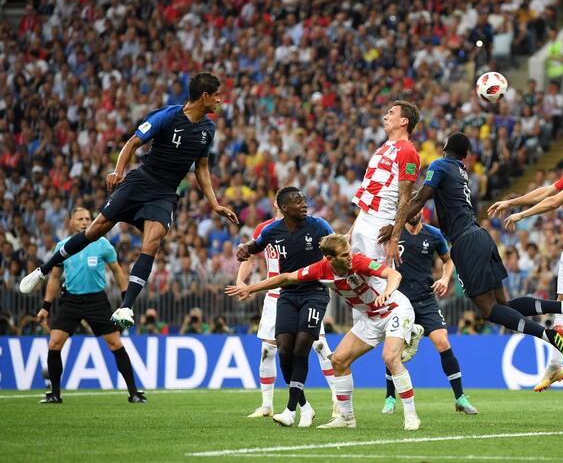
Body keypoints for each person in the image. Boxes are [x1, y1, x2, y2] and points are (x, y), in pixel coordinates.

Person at [20, 72, 239, 330]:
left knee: (153, 241)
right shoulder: (167, 116)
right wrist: (118, 171)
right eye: (217, 95)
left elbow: (201, 167)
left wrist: (214, 203)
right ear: (205, 96)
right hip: (140, 181)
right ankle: (43, 270)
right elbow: (133, 143)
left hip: (165, 194)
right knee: (94, 230)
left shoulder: (208, 129)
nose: (220, 100)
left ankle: (126, 307)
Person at [380, 132, 563, 365]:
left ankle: (549, 335)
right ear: (466, 155)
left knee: (489, 311)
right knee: (503, 306)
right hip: (480, 236)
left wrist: (394, 227)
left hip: (466, 243)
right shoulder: (460, 170)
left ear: (445, 147)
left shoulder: (440, 165)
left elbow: (421, 199)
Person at [227, 233, 424, 431]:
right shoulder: (321, 270)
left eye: (349, 252)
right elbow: (286, 278)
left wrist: (388, 292)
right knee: (337, 361)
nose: (350, 257)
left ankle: (411, 417)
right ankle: (346, 418)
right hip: (370, 319)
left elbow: (394, 274)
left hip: (394, 309)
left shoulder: (359, 262)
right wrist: (251, 288)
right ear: (330, 259)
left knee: (390, 358)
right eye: (344, 254)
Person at [492, 123, 563, 401]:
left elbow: (556, 200)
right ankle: (555, 366)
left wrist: (522, 216)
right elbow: (547, 190)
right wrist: (513, 202)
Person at [234, 187, 336, 427]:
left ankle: (335, 401)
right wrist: (241, 278)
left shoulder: (317, 225)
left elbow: (337, 247)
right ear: (281, 205)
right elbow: (252, 249)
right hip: (278, 293)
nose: (303, 204)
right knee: (276, 350)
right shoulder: (267, 229)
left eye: (304, 200)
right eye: (297, 201)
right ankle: (273, 405)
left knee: (315, 346)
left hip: (312, 291)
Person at [35, 207, 145, 404]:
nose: (85, 221)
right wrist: (46, 306)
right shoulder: (62, 246)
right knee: (54, 343)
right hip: (70, 300)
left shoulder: (103, 244)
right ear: (71, 223)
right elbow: (54, 278)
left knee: (115, 344)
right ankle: (55, 394)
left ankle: (134, 392)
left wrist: (125, 302)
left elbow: (118, 271)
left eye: (88, 218)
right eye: (80, 219)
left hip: (96, 300)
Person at [381, 212, 478, 416]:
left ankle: (460, 397)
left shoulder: (433, 234)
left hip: (425, 299)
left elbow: (448, 259)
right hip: (400, 300)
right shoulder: (394, 234)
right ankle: (390, 398)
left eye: (418, 209)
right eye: (411, 208)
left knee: (442, 341)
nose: (415, 213)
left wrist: (444, 278)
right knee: (394, 349)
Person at [350, 100, 420, 267]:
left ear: (404, 121)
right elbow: (368, 193)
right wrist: (353, 229)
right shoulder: (382, 147)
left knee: (379, 282)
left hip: (380, 222)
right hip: (363, 219)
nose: (385, 117)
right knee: (356, 277)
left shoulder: (408, 151)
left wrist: (395, 237)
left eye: (391, 113)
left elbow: (405, 197)